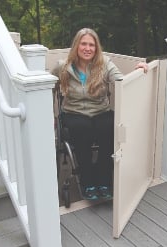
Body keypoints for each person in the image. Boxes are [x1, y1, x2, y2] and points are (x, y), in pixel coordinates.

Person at [52, 28, 147, 200]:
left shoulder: (105, 64)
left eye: (91, 45)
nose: (88, 48)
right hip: (74, 112)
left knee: (110, 127)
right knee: (82, 129)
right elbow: (48, 84)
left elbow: (122, 81)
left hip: (100, 111)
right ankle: (88, 181)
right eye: (84, 44)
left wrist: (138, 71)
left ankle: (103, 181)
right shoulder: (63, 66)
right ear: (76, 46)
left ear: (96, 48)